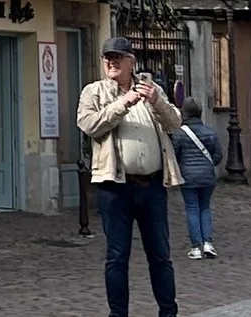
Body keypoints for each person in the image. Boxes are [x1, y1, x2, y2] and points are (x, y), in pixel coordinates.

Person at [78, 35, 186, 317]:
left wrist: (157, 102)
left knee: (160, 255)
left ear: (132, 62)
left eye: (118, 57)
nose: (112, 62)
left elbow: (175, 123)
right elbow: (89, 124)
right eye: (107, 58)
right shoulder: (94, 92)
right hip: (115, 188)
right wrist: (123, 103)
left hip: (151, 186)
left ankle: (168, 312)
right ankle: (118, 314)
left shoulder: (151, 89)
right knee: (116, 256)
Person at [173, 97, 223, 259]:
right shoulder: (210, 132)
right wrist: (208, 165)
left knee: (192, 209)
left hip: (188, 177)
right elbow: (218, 156)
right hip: (207, 176)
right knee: (205, 207)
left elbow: (175, 155)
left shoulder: (180, 134)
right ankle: (208, 243)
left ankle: (196, 247)